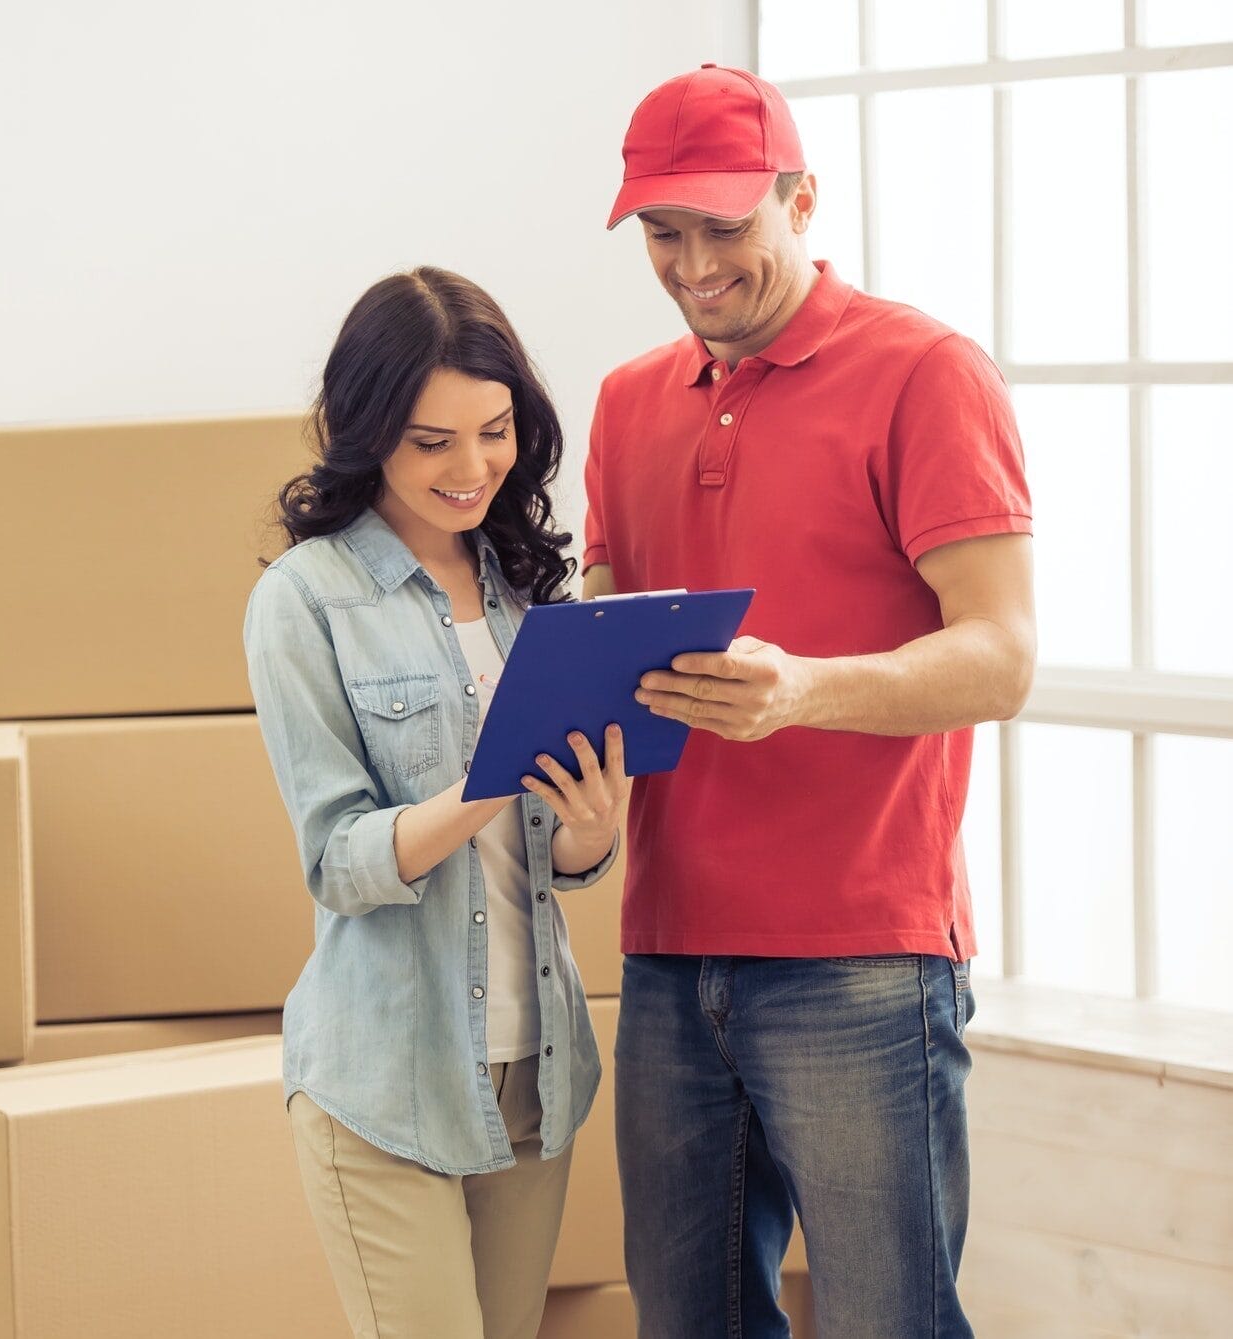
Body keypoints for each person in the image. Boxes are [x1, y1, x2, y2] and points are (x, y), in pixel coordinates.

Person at [585, 65, 1036, 1337]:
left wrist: (803, 691)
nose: (691, 266)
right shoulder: (626, 402)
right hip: (668, 950)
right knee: (688, 1323)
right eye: (662, 235)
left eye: (724, 228)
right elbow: (611, 634)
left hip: (860, 953)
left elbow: (1000, 656)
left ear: (802, 198)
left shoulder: (925, 372)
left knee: (889, 1318)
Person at [244, 266, 625, 1339]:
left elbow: (546, 852)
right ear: (368, 432)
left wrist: (586, 841)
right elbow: (339, 859)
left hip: (534, 1071)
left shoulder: (527, 591)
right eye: (431, 443)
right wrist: (481, 787)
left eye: (494, 432)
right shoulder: (306, 600)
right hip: (385, 1081)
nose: (472, 470)